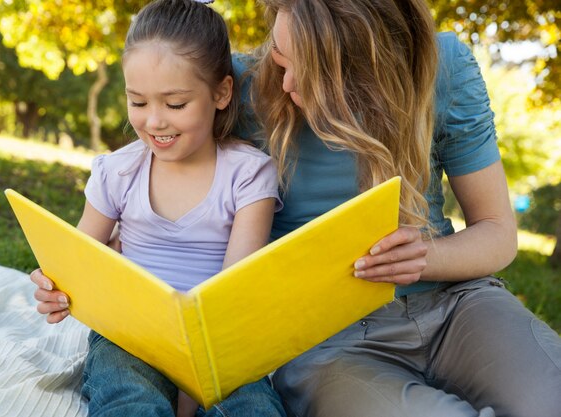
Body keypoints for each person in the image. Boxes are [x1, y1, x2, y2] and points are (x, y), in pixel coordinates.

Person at [229, 0, 560, 416]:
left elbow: (498, 231)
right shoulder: (241, 85)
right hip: (330, 344)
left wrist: (425, 259)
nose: (287, 81)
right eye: (280, 56)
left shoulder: (442, 68)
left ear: (373, 68)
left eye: (311, 71)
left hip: (455, 307)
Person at [29, 1, 287, 416]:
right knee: (128, 398)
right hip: (129, 336)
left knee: (251, 407)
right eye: (138, 102)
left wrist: (192, 384)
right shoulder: (117, 171)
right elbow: (75, 259)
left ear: (221, 93)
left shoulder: (248, 174)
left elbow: (234, 293)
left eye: (175, 104)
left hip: (219, 345)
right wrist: (54, 287)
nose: (154, 122)